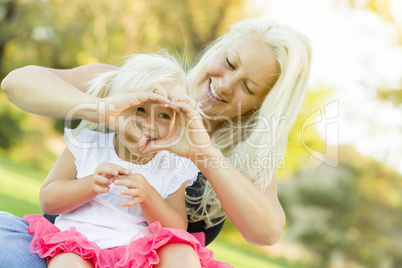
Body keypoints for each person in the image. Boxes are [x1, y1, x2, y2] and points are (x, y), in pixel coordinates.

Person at [1, 18, 311, 267]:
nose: (226, 85)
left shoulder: (244, 155)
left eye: (248, 87)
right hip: (64, 254)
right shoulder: (128, 86)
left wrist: (204, 156)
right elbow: (16, 83)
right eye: (230, 63)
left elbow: (267, 232)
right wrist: (105, 110)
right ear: (218, 48)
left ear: (260, 105)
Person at [22, 52, 230, 268]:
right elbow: (48, 200)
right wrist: (89, 184)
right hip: (79, 246)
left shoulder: (172, 165)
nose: (150, 123)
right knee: (67, 263)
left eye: (164, 115)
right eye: (140, 109)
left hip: (140, 255)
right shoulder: (88, 145)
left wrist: (150, 197)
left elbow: (176, 228)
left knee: (181, 250)